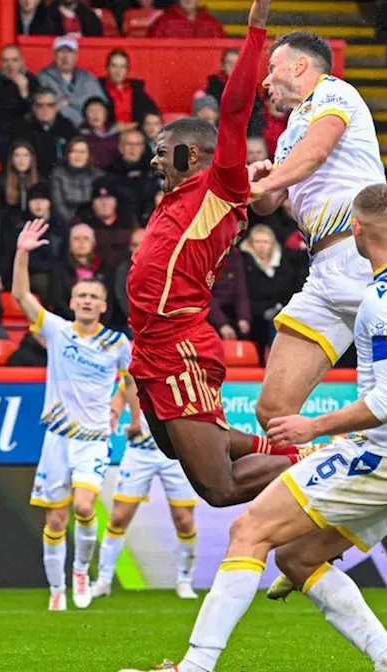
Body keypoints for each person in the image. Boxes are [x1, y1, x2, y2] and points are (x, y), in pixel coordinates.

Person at [122, 183, 387, 672]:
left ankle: (194, 667)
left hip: (383, 457)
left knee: (248, 530)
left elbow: (386, 401)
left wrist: (311, 425)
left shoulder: (382, 301)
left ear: (354, 229)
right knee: (296, 559)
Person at [127, 0, 301, 509]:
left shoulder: (218, 184)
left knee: (218, 489)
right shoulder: (175, 197)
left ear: (195, 153)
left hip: (180, 342)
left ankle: (316, 461)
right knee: (186, 448)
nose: (156, 157)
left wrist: (255, 32)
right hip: (151, 345)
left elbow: (233, 109)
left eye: (164, 148)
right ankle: (284, 451)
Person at [245, 30, 385, 429]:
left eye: (272, 69)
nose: (266, 81)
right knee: (272, 412)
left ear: (299, 65)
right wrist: (257, 180)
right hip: (322, 270)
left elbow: (318, 150)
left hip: (364, 259)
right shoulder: (290, 132)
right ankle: (307, 488)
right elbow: (271, 204)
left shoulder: (334, 92)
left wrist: (265, 184)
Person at [12, 219, 131, 611]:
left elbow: (132, 382)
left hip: (95, 438)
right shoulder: (58, 331)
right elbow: (21, 295)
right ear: (72, 301)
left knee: (84, 507)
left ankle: (81, 570)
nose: (85, 301)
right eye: (80, 295)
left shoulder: (117, 343)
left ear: (102, 305)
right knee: (55, 521)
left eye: (92, 297)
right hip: (57, 438)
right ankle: (57, 589)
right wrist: (23, 251)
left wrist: (124, 410)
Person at [93, 423, 201, 601]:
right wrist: (113, 416)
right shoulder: (134, 393)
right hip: (140, 450)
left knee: (184, 520)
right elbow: (122, 396)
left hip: (177, 452)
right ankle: (103, 581)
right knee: (119, 517)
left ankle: (184, 581)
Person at [37, 36, 106, 130]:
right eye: (61, 52)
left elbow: (101, 106)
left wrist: (68, 101)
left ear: (76, 56)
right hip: (55, 130)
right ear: (54, 55)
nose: (65, 57)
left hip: (88, 131)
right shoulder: (44, 76)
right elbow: (47, 109)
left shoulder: (87, 78)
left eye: (70, 52)